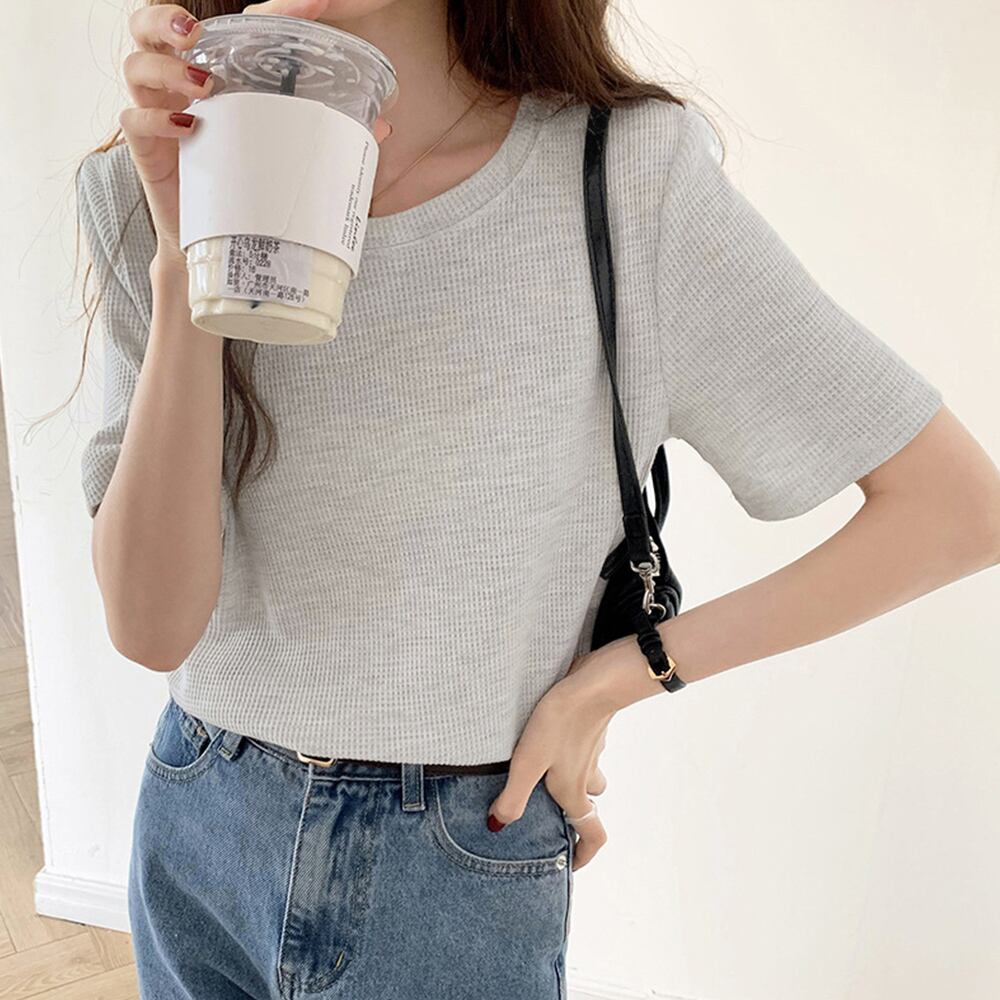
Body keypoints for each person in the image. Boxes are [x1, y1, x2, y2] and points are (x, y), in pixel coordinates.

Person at [75, 0, 1000, 996]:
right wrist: (185, 260)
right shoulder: (155, 174)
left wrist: (611, 680)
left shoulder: (622, 176)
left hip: (454, 850)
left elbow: (954, 508)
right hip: (201, 814)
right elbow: (151, 627)